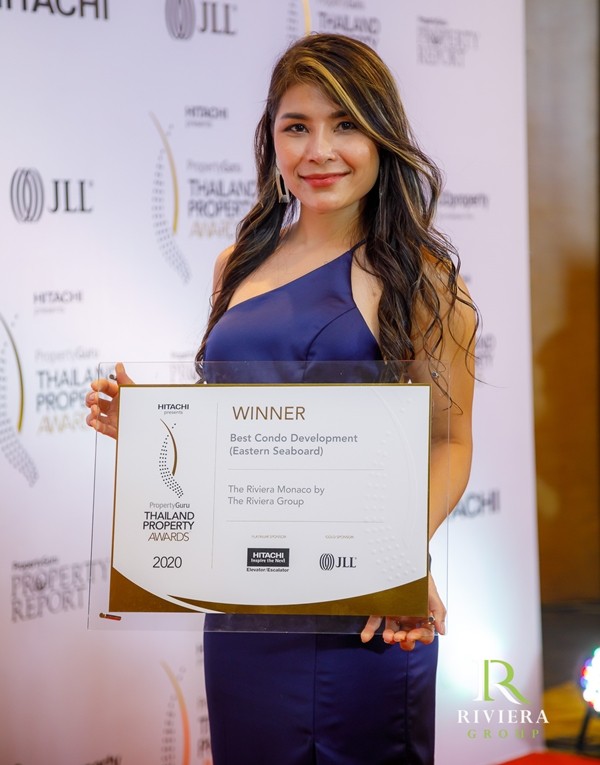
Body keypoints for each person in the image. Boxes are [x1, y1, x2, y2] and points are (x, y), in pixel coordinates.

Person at [86, 33, 477, 765]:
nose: (319, 151)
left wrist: (395, 553)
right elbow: (237, 427)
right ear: (271, 138)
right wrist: (149, 429)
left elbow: (451, 442)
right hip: (245, 608)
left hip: (364, 610)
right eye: (297, 126)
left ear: (382, 136)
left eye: (345, 124)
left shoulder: (421, 279)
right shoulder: (237, 263)